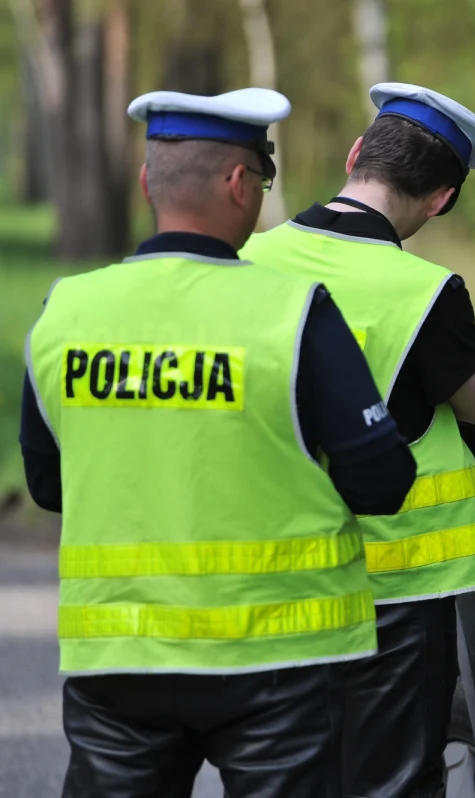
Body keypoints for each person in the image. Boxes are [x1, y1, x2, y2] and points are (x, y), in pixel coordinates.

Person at [19, 87, 417, 797]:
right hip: (280, 659)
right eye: (262, 182)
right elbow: (382, 481)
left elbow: (50, 486)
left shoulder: (65, 311)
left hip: (119, 657)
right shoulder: (293, 312)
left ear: (149, 182)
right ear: (238, 182)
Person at [239, 82, 475, 798]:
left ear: (356, 154)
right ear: (441, 199)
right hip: (395, 590)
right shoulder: (423, 290)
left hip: (268, 575)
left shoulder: (251, 258)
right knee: (390, 778)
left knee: (282, 776)